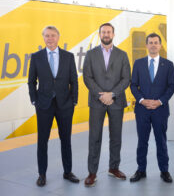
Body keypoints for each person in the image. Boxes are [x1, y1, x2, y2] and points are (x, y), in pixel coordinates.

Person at [28, 26, 79, 187]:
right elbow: (31, 81)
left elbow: (74, 81)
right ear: (43, 37)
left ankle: (68, 172)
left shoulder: (68, 56)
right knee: (42, 141)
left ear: (58, 37)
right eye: (47, 36)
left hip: (65, 105)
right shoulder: (36, 57)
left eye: (53, 35)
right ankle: (42, 174)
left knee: (66, 140)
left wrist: (74, 101)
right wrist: (34, 100)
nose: (50, 38)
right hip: (44, 105)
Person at [83, 23, 131, 187]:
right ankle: (92, 172)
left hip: (116, 101)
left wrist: (112, 94)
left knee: (116, 136)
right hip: (97, 101)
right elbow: (87, 77)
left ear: (113, 34)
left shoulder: (122, 55)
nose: (106, 34)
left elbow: (126, 78)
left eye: (108, 32)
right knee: (94, 137)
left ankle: (114, 168)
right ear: (99, 34)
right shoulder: (90, 54)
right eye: (103, 32)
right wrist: (101, 95)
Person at [130, 33, 174, 183]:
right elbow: (133, 85)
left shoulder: (168, 65)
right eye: (151, 42)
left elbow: (172, 86)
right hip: (142, 110)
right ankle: (141, 170)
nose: (153, 45)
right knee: (142, 141)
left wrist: (160, 101)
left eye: (156, 42)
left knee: (161, 141)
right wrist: (142, 100)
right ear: (146, 45)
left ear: (160, 45)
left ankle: (164, 170)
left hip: (160, 110)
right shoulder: (138, 63)